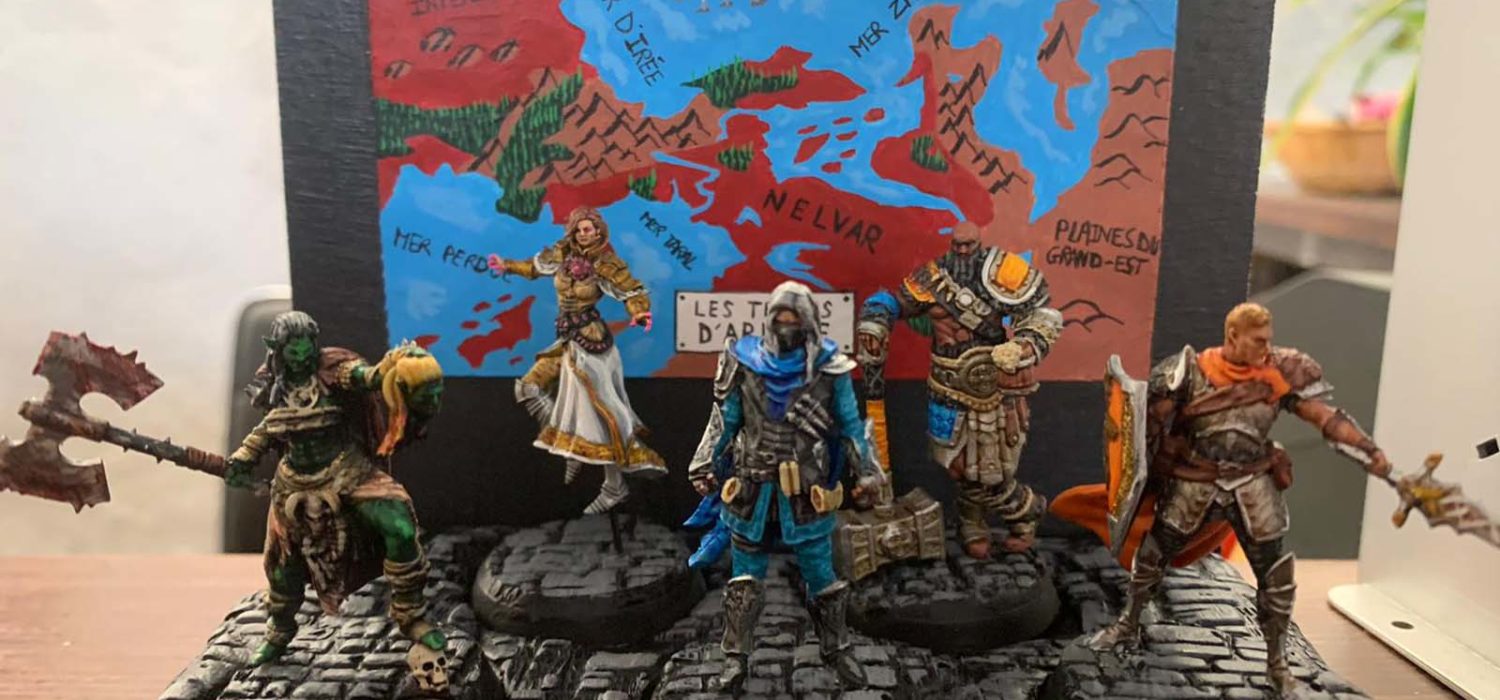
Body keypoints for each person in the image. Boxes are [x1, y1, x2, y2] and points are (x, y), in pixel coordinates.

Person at [1055, 302, 1394, 696]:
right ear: (1233, 336)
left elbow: (1325, 417)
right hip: (1196, 481)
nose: (1266, 348)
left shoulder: (1278, 374)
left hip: (1253, 484)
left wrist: (1368, 451)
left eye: (1269, 340)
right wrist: (1156, 466)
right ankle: (1128, 623)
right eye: (1258, 341)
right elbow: (1146, 424)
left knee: (1275, 577)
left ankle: (1277, 664)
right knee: (1152, 555)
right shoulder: (1188, 372)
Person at [688, 281, 884, 692]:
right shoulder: (746, 362)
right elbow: (727, 420)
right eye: (780, 319)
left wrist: (866, 471)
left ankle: (836, 649)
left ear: (809, 323)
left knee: (822, 576)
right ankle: (735, 657)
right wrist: (705, 462)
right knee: (744, 581)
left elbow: (850, 426)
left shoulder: (829, 369)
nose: (786, 327)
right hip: (752, 488)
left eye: (794, 320)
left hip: (806, 489)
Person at [224, 311, 446, 666]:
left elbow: (366, 378)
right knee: (282, 566)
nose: (302, 358)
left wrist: (395, 366)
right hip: (293, 484)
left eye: (307, 348)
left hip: (348, 472)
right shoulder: (272, 384)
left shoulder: (332, 370)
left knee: (400, 528)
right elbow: (269, 427)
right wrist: (243, 457)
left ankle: (412, 616)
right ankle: (279, 631)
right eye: (294, 351)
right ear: (279, 350)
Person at [858, 221, 1063, 557]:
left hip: (992, 385)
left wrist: (1026, 344)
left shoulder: (1003, 270)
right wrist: (876, 317)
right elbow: (896, 301)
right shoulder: (931, 278)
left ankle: (992, 519)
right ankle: (1016, 510)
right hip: (946, 383)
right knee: (956, 464)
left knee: (994, 466)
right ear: (952, 245)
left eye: (969, 245)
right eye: (958, 245)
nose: (963, 251)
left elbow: (1041, 310)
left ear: (978, 244)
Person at [487, 206, 665, 513]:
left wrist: (640, 312)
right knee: (527, 388)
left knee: (603, 413)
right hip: (566, 339)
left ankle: (614, 487)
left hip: (590, 342)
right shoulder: (560, 254)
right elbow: (534, 267)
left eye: (589, 229)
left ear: (599, 232)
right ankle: (569, 447)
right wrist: (508, 266)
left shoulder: (606, 264)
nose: (584, 234)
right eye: (579, 229)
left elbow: (631, 290)